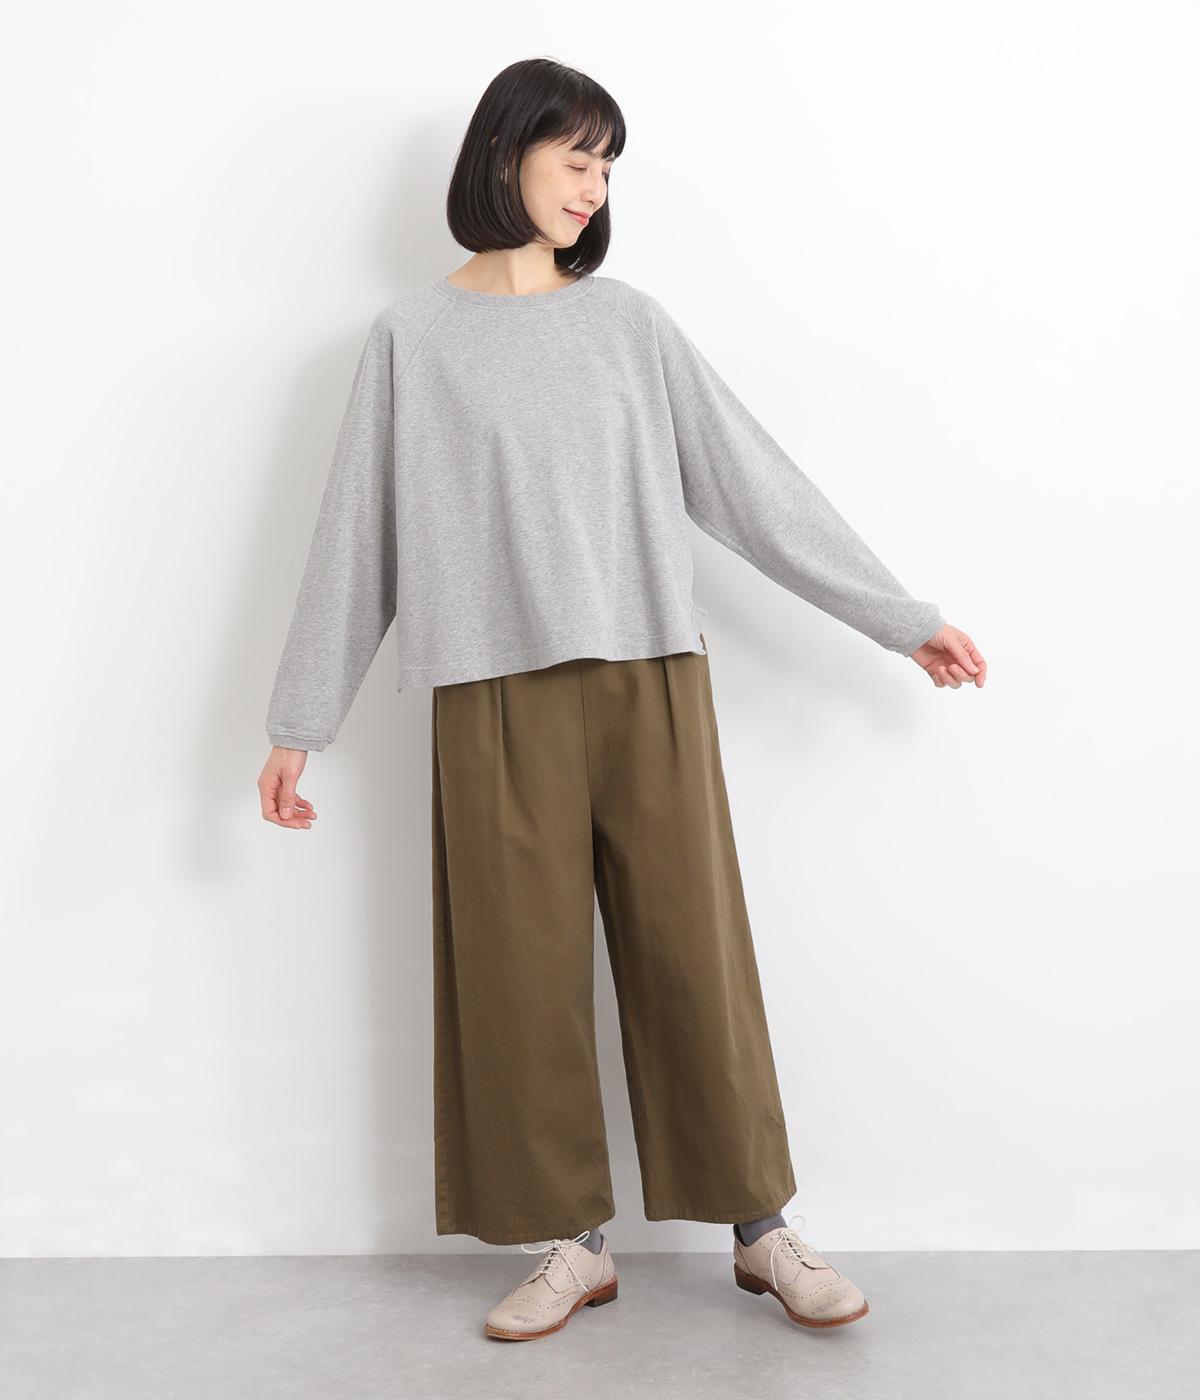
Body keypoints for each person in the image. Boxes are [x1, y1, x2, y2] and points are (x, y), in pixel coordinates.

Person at [257, 57, 986, 1343]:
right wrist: (297, 724)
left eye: (607, 167)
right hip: (489, 693)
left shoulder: (630, 325)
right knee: (518, 977)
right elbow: (356, 539)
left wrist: (899, 614)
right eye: (577, 157)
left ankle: (762, 1229)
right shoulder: (412, 338)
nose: (594, 187)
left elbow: (751, 484)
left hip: (648, 675)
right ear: (506, 155)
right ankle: (571, 1244)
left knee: (694, 960)